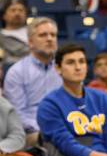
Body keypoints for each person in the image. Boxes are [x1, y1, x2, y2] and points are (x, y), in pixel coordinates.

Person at [2, 17, 62, 146]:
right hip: (31, 133)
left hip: (63, 127)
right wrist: (47, 129)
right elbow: (16, 115)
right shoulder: (17, 72)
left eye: (53, 35)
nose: (50, 39)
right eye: (43, 35)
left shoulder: (64, 69)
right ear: (30, 42)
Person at [0, 0, 29, 65]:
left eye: (21, 10)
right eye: (13, 10)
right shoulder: (1, 36)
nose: (17, 13)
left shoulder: (36, 32)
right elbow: (5, 59)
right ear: (4, 15)